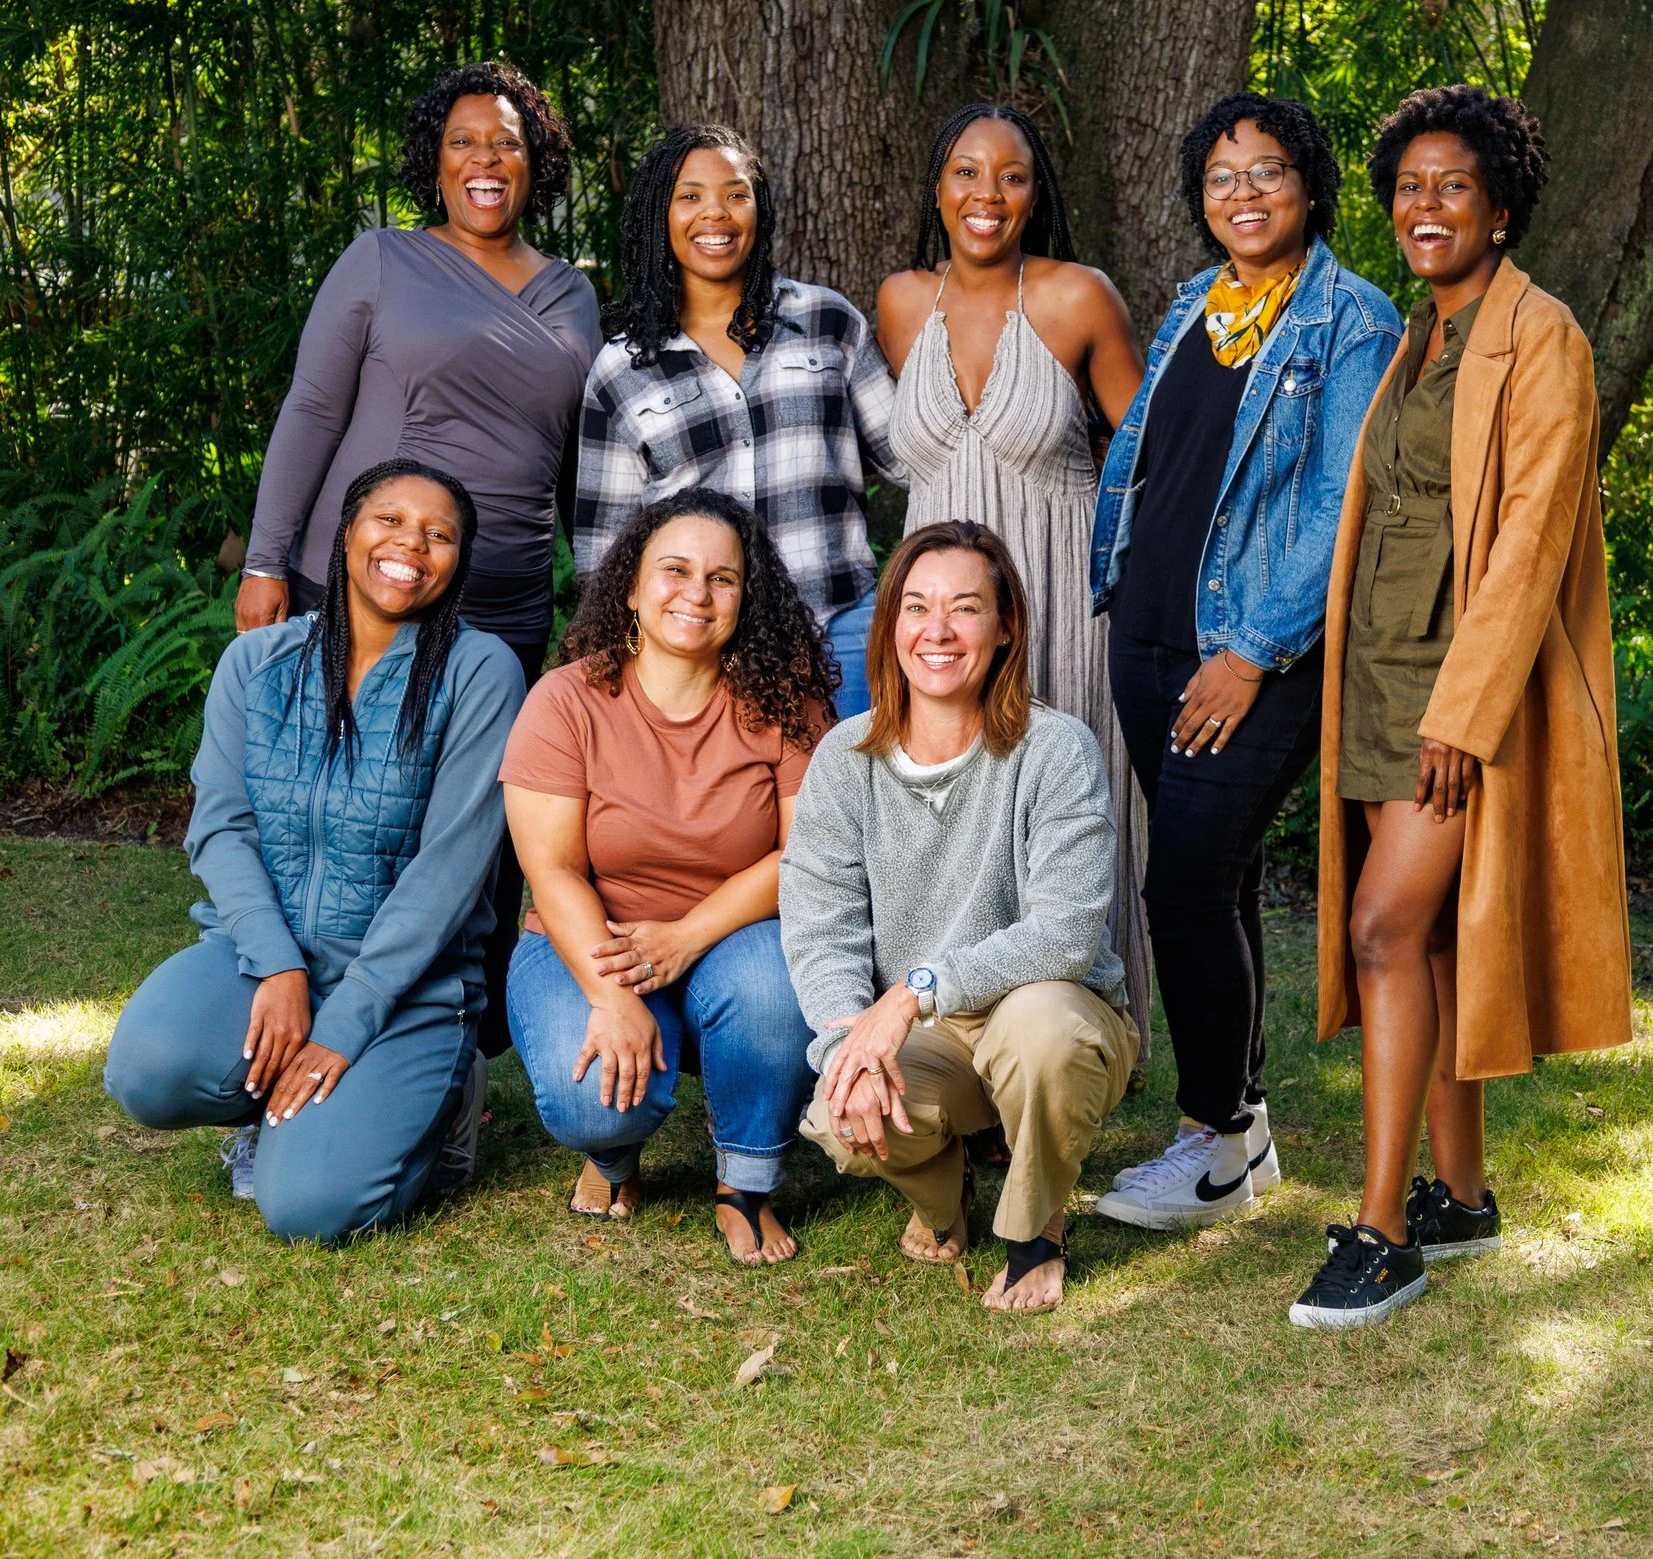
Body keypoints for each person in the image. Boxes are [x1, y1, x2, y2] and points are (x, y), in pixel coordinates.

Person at [1294, 86, 1632, 1329]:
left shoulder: (1539, 336)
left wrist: (1464, 712)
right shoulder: (1416, 338)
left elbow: (1531, 537)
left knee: (1383, 929)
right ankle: (1464, 1193)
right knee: (1423, 940)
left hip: (1457, 687)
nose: (1424, 206)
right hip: (1379, 668)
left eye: (1452, 187)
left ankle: (1382, 1229)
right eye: (1408, 186)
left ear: (1499, 206)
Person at [235, 61, 602, 1071]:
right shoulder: (381, 261)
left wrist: (597, 598)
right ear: (433, 165)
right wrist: (267, 558)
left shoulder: (573, 295)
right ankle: (299, 1010)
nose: (486, 161)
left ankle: (460, 1043)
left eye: (508, 144)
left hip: (506, 601)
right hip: (361, 586)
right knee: (349, 810)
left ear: (538, 167)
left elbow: (577, 459)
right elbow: (311, 410)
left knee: (480, 831)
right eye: (463, 143)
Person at [1088, 94, 1401, 1232]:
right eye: (1221, 178)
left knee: (1180, 880)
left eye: (1267, 171)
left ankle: (1214, 1139)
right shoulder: (1194, 309)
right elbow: (1151, 463)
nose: (1244, 194)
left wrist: (1252, 651)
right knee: (1204, 881)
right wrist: (1119, 591)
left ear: (1308, 186)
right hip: (1150, 638)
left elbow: (1337, 509)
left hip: (1251, 654)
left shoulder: (1348, 322)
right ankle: (1240, 1132)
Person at [105, 461, 524, 1244]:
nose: (412, 545)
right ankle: (274, 1105)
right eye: (389, 520)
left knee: (306, 1205)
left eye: (440, 535)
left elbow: (450, 870)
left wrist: (348, 1018)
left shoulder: (480, 673)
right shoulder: (257, 664)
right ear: (346, 532)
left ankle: (441, 1108)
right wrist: (277, 963)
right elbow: (220, 826)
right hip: (264, 961)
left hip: (410, 985)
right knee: (146, 1070)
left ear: (459, 561)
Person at [780, 521, 1137, 1313]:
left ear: (1005, 625)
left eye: (965, 608)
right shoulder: (844, 761)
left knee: (1041, 1024)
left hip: (1049, 1010)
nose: (936, 631)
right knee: (838, 1106)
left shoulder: (1054, 750)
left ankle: (1037, 1226)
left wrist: (912, 991)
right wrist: (849, 1041)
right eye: (916, 607)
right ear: (890, 625)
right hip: (935, 1039)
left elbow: (1067, 931)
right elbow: (820, 927)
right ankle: (943, 1204)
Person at [876, 104, 1151, 1045]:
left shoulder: (1078, 298)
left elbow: (1150, 458)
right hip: (937, 626)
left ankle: (1077, 1045)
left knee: (1063, 819)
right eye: (965, 172)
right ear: (938, 186)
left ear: (1038, 195)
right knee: (951, 824)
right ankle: (958, 1053)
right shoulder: (902, 302)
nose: (986, 195)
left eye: (1012, 176)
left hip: (1060, 610)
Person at [498, 489, 831, 1263]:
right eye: (675, 570)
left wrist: (685, 938)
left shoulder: (784, 700)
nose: (697, 593)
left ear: (747, 597)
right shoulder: (569, 698)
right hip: (591, 938)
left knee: (774, 989)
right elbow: (550, 866)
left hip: (735, 935)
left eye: (722, 578)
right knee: (594, 1098)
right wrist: (613, 995)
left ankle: (745, 1183)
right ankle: (612, 1156)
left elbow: (805, 855)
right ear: (633, 587)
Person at [572, 125, 902, 718]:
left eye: (736, 193)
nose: (715, 213)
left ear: (759, 208)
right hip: (706, 651)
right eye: (690, 196)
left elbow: (913, 457)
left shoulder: (827, 322)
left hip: (844, 627)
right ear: (660, 216)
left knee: (866, 806)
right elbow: (605, 551)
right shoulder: (621, 370)